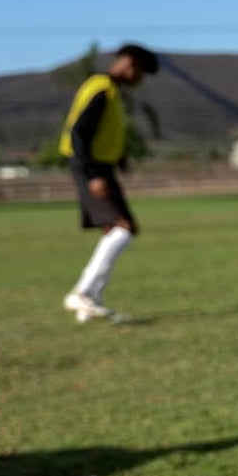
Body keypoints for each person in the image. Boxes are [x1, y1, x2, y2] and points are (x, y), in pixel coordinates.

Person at [59, 43, 160, 322]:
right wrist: (93, 174)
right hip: (90, 166)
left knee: (112, 230)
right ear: (131, 65)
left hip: (98, 164)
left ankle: (89, 304)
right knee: (124, 229)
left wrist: (119, 155)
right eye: (142, 74)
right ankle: (84, 293)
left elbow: (100, 131)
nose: (140, 81)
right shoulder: (102, 88)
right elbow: (79, 132)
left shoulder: (109, 90)